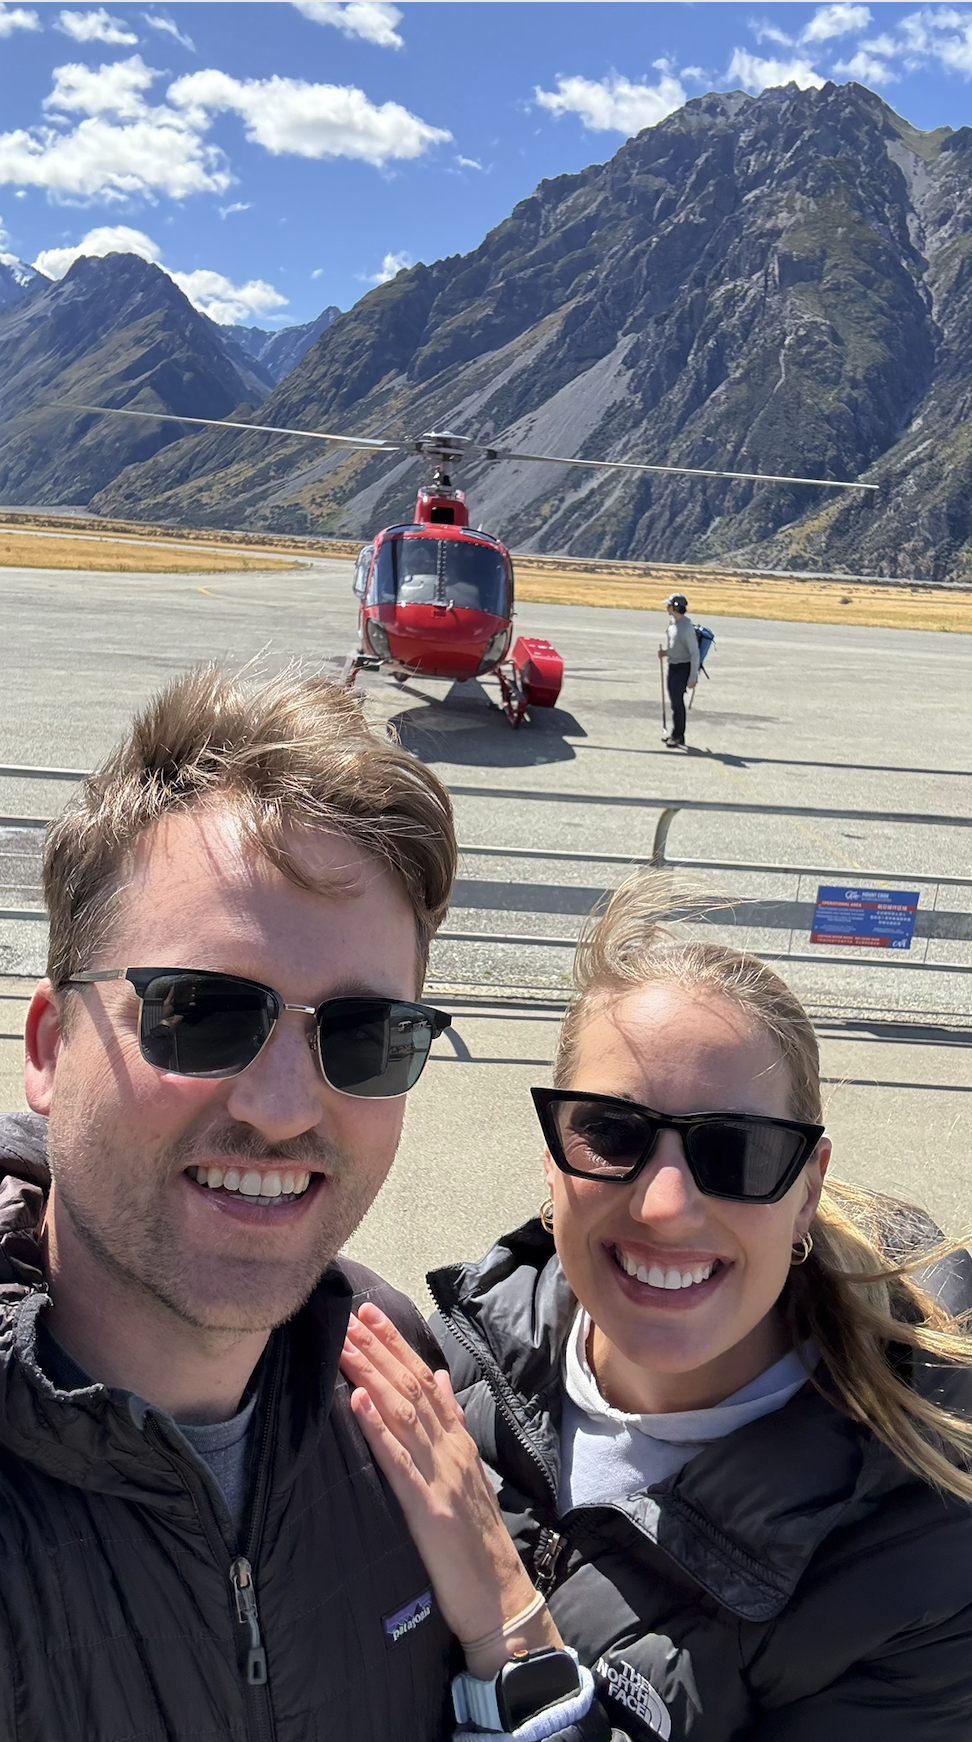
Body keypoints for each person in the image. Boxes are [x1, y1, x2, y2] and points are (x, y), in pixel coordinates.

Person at [0, 667, 602, 1742]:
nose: (282, 1110)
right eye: (201, 1013)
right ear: (50, 1046)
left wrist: (512, 1637)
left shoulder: (404, 1391)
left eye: (365, 1036)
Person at [349, 874, 972, 1739]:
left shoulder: (924, 1545)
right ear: (552, 1156)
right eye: (611, 1132)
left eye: (740, 1151)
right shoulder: (444, 1370)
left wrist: (511, 1625)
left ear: (805, 1190)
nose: (665, 1204)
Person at [658, 592, 698, 748]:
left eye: (669, 605)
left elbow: (694, 653)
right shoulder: (673, 624)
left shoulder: (686, 628)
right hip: (673, 665)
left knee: (677, 703)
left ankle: (678, 735)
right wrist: (665, 653)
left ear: (675, 607)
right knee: (674, 702)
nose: (666, 608)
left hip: (683, 668)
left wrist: (692, 677)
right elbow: (675, 647)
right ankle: (675, 734)